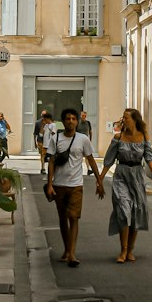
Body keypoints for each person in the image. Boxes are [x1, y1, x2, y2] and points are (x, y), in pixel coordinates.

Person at [45, 105, 104, 266]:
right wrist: (49, 184)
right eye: (67, 119)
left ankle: (72, 253)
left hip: (76, 185)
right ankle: (66, 250)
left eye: (73, 119)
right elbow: (51, 162)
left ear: (77, 122)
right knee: (63, 219)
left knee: (74, 217)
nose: (71, 121)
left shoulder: (82, 139)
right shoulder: (55, 139)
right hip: (59, 185)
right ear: (63, 122)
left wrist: (99, 181)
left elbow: (91, 160)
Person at [101, 108, 152, 264]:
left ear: (135, 120)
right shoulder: (118, 137)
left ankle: (130, 250)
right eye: (123, 117)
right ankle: (123, 250)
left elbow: (149, 156)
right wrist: (100, 179)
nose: (124, 120)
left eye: (127, 118)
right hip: (121, 174)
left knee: (135, 211)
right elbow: (109, 159)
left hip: (137, 175)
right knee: (123, 210)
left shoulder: (143, 136)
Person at [34, 109, 54, 174]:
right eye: (43, 115)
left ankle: (50, 169)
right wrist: (35, 142)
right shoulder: (38, 123)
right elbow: (37, 133)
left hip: (48, 142)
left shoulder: (51, 124)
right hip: (40, 141)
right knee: (42, 155)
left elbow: (53, 134)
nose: (43, 117)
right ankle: (43, 168)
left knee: (48, 156)